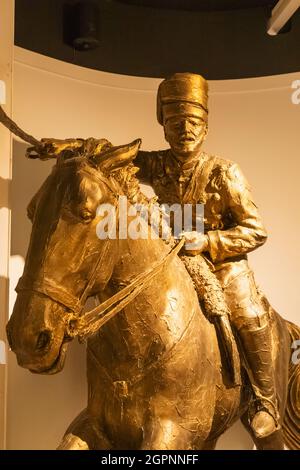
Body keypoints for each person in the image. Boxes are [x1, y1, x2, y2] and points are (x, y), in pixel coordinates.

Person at [135, 72, 279, 439]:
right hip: (173, 264)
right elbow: (113, 158)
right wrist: (71, 148)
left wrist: (208, 241)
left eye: (193, 123)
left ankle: (265, 400)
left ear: (206, 127)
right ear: (164, 128)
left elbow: (255, 230)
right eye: (176, 122)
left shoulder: (224, 172)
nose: (185, 129)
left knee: (246, 313)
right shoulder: (155, 165)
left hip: (223, 267)